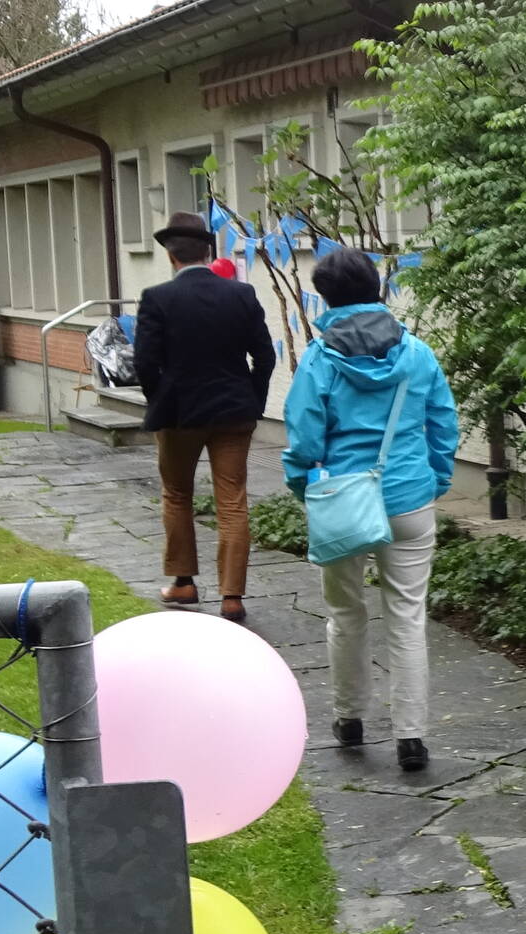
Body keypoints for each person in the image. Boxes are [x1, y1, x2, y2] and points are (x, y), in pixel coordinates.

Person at [281, 247, 459, 772]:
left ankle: (350, 719)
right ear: (378, 288)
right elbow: (443, 427)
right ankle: (411, 738)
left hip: (342, 505)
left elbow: (303, 443)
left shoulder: (318, 360)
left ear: (324, 297)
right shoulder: (417, 354)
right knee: (407, 618)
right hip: (410, 502)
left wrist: (306, 492)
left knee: (345, 613)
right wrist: (435, 481)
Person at [134, 211, 276, 625]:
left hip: (178, 414)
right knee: (232, 501)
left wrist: (158, 398)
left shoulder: (156, 298)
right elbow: (264, 357)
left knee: (176, 494)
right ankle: (232, 597)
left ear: (170, 256)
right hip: (234, 411)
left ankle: (183, 582)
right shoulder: (242, 295)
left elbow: (144, 361)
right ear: (207, 251)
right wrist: (253, 400)